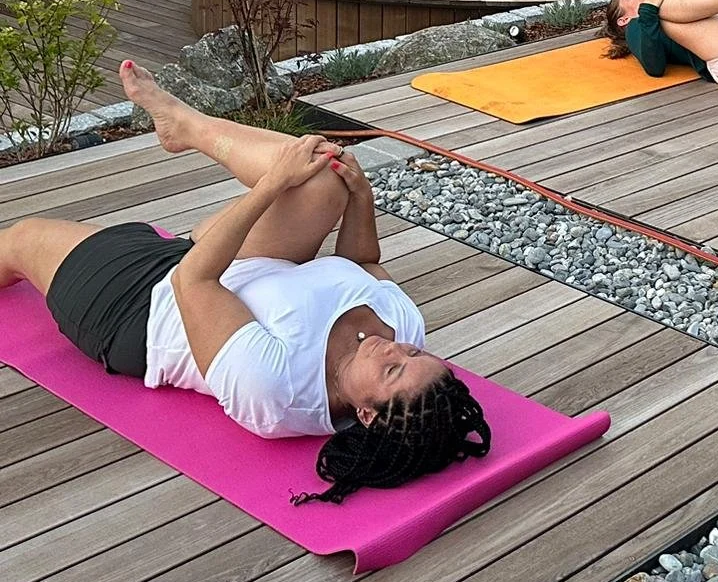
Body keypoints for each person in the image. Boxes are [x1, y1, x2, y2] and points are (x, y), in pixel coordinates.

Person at [0, 62, 490, 505]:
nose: (395, 351)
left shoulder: (279, 394)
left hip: (145, 308)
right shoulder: (404, 330)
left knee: (21, 240)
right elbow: (362, 262)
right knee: (325, 173)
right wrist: (360, 195)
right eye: (415, 356)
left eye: (391, 372)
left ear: (364, 415)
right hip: (242, 265)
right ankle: (185, 125)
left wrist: (273, 184)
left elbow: (193, 280)